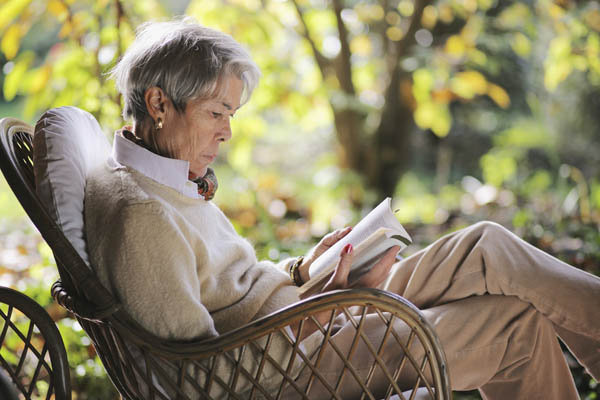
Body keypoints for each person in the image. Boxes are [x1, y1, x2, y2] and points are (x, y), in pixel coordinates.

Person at [83, 17, 600, 399]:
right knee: (515, 325)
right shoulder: (142, 216)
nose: (227, 131)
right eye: (217, 112)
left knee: (486, 245)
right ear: (158, 104)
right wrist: (317, 312)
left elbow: (229, 287)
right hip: (285, 367)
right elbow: (194, 378)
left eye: (231, 114)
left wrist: (306, 270)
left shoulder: (162, 173)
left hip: (297, 315)